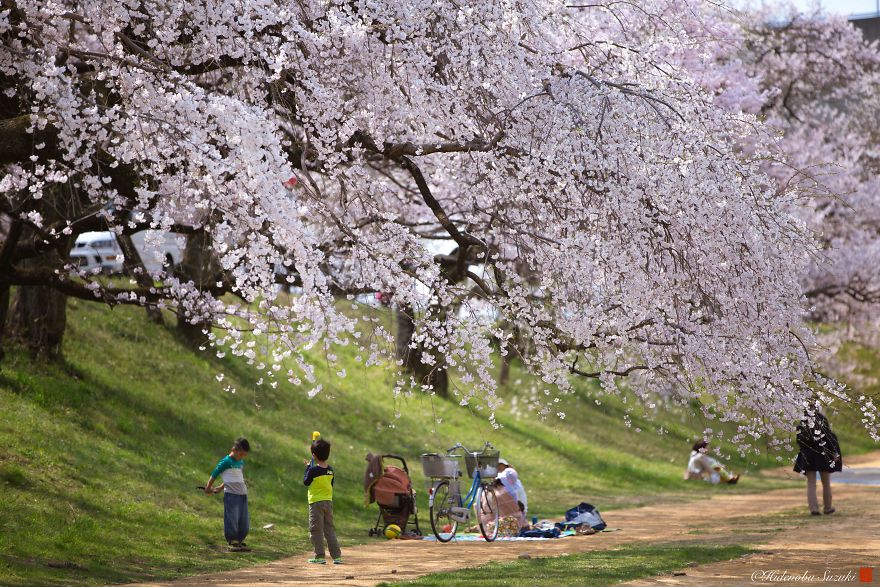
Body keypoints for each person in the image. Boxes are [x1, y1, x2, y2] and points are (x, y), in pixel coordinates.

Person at [204, 437, 251, 550]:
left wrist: (219, 488)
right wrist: (208, 487)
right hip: (231, 495)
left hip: (242, 494)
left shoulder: (240, 463)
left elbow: (232, 479)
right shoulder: (225, 462)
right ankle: (232, 539)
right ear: (233, 449)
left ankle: (239, 540)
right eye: (240, 454)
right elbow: (214, 474)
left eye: (244, 455)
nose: (242, 457)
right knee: (232, 517)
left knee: (243, 519)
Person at [794, 410, 842, 515]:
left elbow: (799, 440)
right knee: (826, 483)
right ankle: (827, 508)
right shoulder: (822, 419)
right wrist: (834, 452)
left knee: (811, 483)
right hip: (822, 455)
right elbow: (829, 437)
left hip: (808, 456)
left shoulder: (803, 421)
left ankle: (814, 509)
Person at [303, 438, 342, 564]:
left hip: (315, 503)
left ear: (314, 455)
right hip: (328, 502)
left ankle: (319, 556)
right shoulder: (330, 470)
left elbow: (306, 481)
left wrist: (308, 467)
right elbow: (331, 484)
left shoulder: (313, 470)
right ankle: (336, 556)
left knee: (316, 530)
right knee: (329, 529)